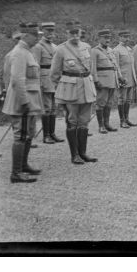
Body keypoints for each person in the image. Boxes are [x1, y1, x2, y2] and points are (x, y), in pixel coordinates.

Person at [50, 20, 98, 164]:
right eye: (72, 33)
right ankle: (74, 155)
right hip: (70, 89)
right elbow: (54, 73)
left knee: (84, 121)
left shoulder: (87, 47)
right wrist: (63, 89)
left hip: (87, 87)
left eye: (77, 32)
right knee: (72, 121)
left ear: (80, 32)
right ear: (67, 33)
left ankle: (83, 153)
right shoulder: (61, 49)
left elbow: (91, 68)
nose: (75, 35)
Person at [2, 22, 44, 183]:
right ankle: (16, 173)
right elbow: (17, 80)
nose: (37, 38)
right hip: (22, 102)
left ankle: (24, 165)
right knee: (20, 136)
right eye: (35, 35)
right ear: (26, 35)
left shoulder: (27, 51)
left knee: (27, 134)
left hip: (28, 102)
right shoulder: (19, 52)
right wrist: (25, 102)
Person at [31, 22, 64, 144]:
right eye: (48, 30)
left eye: (52, 30)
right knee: (47, 108)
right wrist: (37, 83)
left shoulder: (55, 46)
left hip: (55, 80)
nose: (50, 33)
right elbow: (35, 66)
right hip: (44, 80)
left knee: (54, 108)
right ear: (42, 31)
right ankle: (46, 135)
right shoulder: (38, 47)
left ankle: (52, 133)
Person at [90, 29, 120, 134]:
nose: (108, 40)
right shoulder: (95, 51)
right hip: (102, 81)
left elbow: (115, 66)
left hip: (112, 80)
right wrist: (96, 81)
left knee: (109, 103)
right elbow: (93, 68)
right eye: (105, 38)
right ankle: (101, 125)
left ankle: (107, 124)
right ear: (99, 39)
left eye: (109, 38)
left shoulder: (110, 50)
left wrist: (119, 77)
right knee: (101, 103)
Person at [113, 30, 137, 128]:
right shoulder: (116, 50)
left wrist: (135, 76)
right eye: (124, 37)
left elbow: (132, 65)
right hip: (123, 78)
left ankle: (127, 119)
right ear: (119, 37)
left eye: (128, 37)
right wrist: (120, 77)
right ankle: (122, 121)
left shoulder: (129, 49)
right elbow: (116, 66)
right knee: (121, 99)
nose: (126, 39)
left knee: (128, 100)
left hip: (131, 78)